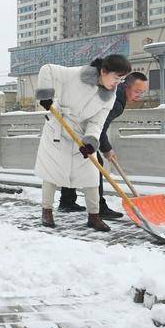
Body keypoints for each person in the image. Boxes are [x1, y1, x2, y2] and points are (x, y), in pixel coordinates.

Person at [34, 54, 132, 232]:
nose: (118, 83)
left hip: (81, 135)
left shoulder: (109, 96)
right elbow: (46, 69)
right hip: (58, 129)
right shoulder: (76, 74)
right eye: (116, 77)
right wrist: (46, 95)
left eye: (122, 79)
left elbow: (97, 122)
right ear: (103, 71)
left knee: (91, 176)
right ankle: (46, 211)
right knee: (51, 173)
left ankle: (94, 216)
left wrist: (91, 142)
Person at [59, 71, 149, 218]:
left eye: (142, 92)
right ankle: (99, 207)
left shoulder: (114, 93)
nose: (139, 95)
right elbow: (99, 128)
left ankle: (67, 201)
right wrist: (107, 149)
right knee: (96, 164)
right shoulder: (116, 102)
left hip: (71, 125)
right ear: (126, 87)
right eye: (137, 91)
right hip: (76, 127)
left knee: (75, 161)